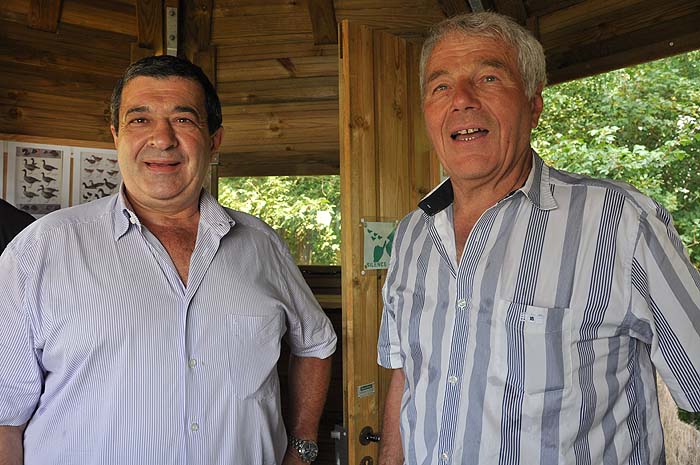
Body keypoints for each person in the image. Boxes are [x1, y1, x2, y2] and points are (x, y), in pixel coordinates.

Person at [377, 11, 700, 465]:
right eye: (441, 86)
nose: (462, 99)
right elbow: (407, 377)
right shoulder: (411, 236)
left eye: (488, 78)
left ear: (533, 105)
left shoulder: (621, 221)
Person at [0, 55, 336, 465]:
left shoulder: (261, 244)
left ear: (214, 139)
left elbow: (316, 343)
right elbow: (4, 420)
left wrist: (302, 445)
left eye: (183, 119)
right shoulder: (41, 249)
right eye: (140, 120)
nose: (162, 139)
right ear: (116, 135)